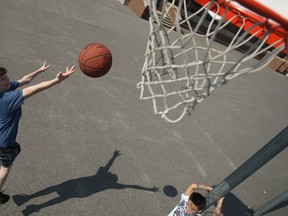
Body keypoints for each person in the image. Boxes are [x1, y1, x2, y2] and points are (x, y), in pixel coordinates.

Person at [0, 61, 75, 204]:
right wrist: (56, 81)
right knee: (5, 168)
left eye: (6, 76)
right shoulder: (6, 99)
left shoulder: (6, 89)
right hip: (4, 144)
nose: (8, 79)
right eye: (3, 79)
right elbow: (33, 90)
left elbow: (24, 80)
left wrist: (39, 71)